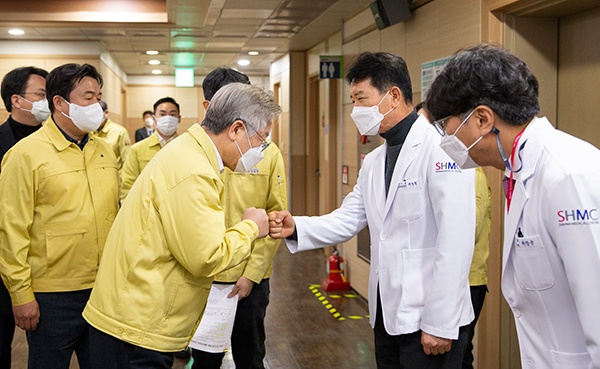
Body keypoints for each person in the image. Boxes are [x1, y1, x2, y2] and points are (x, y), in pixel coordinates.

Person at [269, 51, 476, 369]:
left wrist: (440, 322)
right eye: (353, 101)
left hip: (430, 320)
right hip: (388, 313)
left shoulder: (441, 149)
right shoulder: (376, 160)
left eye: (361, 99)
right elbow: (349, 216)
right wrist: (295, 226)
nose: (356, 111)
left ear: (393, 96)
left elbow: (457, 239)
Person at [425, 43, 600, 369]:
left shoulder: (568, 176)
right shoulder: (517, 173)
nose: (445, 139)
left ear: (481, 119)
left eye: (446, 125)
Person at [82, 82, 281, 369]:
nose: (262, 150)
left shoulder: (189, 152)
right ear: (236, 129)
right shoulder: (194, 170)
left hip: (136, 316)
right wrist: (251, 226)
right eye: (261, 138)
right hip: (136, 326)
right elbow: (206, 257)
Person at [0, 63, 120, 369]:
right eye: (88, 97)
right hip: (51, 296)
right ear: (59, 103)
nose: (96, 106)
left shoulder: (105, 151)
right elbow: (11, 230)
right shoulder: (26, 154)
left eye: (98, 97)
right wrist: (20, 294)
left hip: (102, 288)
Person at [191, 68, 287, 369]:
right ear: (210, 107)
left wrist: (252, 274)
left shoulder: (267, 153)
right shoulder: (194, 152)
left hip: (251, 278)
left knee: (250, 356)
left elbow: (275, 218)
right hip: (204, 279)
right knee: (205, 358)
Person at [417, 103, 492, 369]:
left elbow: (463, 233)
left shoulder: (461, 167)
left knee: (457, 354)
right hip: (450, 277)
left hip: (467, 279)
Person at [0, 65, 49, 369]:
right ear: (17, 100)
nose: (49, 100)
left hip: (49, 270)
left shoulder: (57, 143)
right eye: (42, 94)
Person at [120, 97, 180, 200]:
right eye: (162, 114)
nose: (168, 118)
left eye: (172, 114)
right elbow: (128, 186)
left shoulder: (188, 148)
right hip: (147, 211)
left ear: (179, 119)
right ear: (154, 118)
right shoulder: (137, 150)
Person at [94, 100, 131, 177]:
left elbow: (127, 161)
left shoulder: (120, 132)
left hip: (115, 179)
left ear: (106, 113)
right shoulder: (88, 132)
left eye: (96, 112)